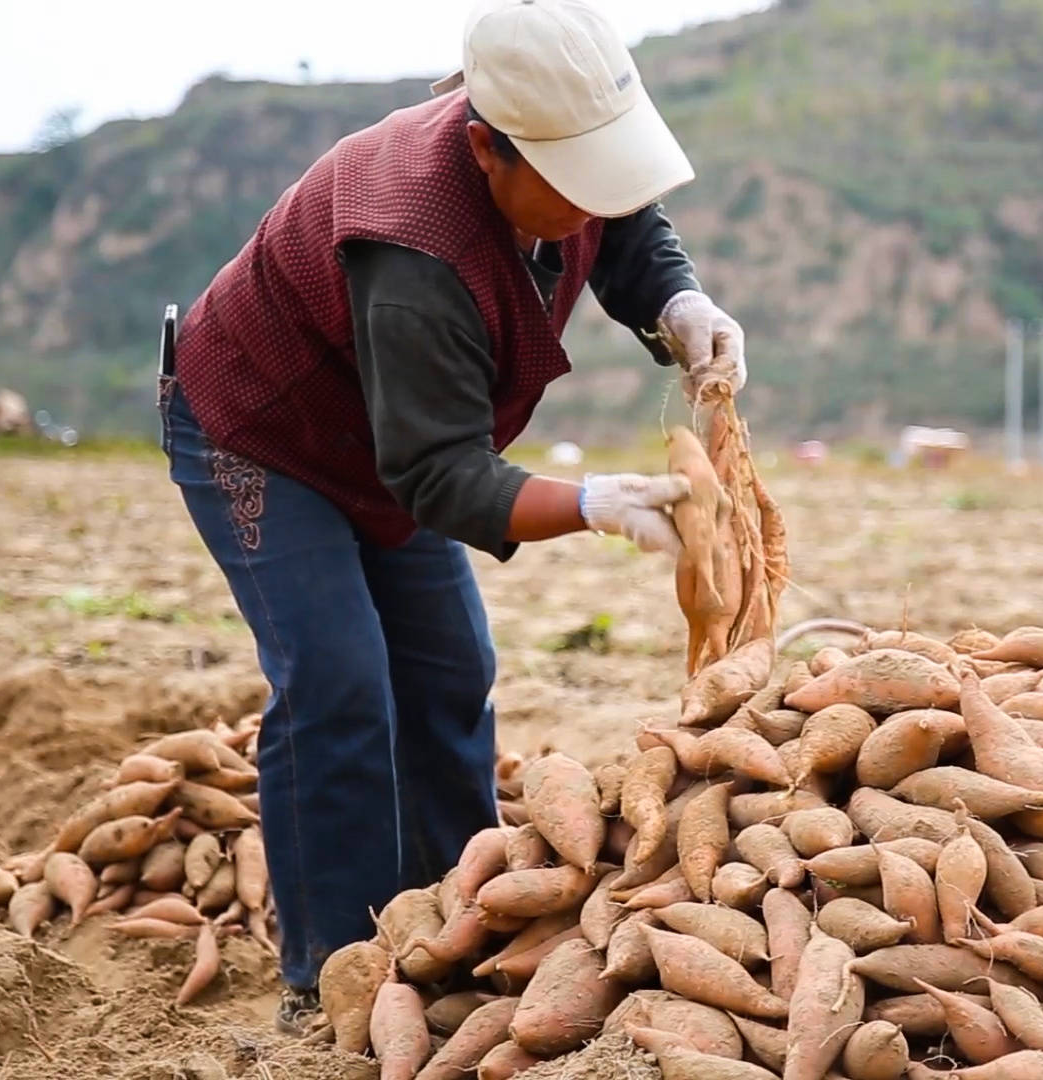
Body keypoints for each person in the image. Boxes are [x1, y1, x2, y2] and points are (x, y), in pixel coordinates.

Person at [156, 0, 747, 1032]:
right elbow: (437, 477)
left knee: (450, 671)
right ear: (485, 148)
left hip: (395, 441)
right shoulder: (411, 244)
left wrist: (679, 303)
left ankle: (458, 914)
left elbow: (627, 223)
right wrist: (594, 505)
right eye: (567, 185)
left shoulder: (560, 165)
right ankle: (330, 969)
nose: (585, 203)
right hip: (263, 433)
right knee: (337, 679)